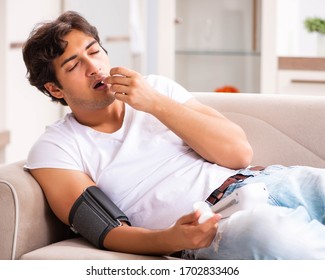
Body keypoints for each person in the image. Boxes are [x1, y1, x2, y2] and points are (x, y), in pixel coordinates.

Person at [22, 11, 325, 260]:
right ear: (55, 88)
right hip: (219, 223)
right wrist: (171, 239)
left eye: (94, 51)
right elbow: (104, 228)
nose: (93, 67)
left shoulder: (155, 90)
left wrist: (154, 103)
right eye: (74, 65)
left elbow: (238, 154)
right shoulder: (56, 147)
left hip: (268, 181)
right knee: (278, 239)